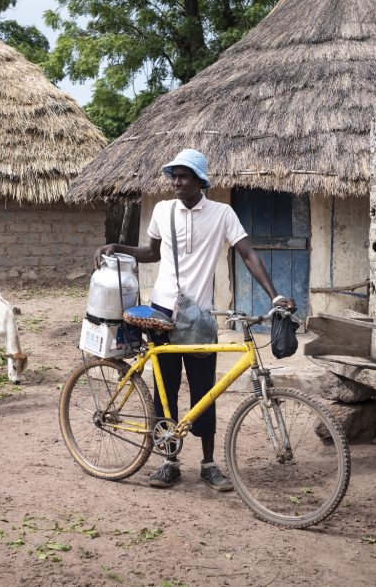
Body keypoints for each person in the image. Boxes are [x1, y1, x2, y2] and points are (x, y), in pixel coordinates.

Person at [96, 148, 296, 492]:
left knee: (205, 391)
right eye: (173, 175)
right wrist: (118, 246)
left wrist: (274, 295)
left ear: (200, 181)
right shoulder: (162, 210)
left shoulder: (223, 213)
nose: (175, 182)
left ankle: (209, 463)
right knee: (165, 389)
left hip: (200, 315)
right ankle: (169, 461)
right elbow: (152, 253)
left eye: (183, 176)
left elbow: (247, 254)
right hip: (161, 313)